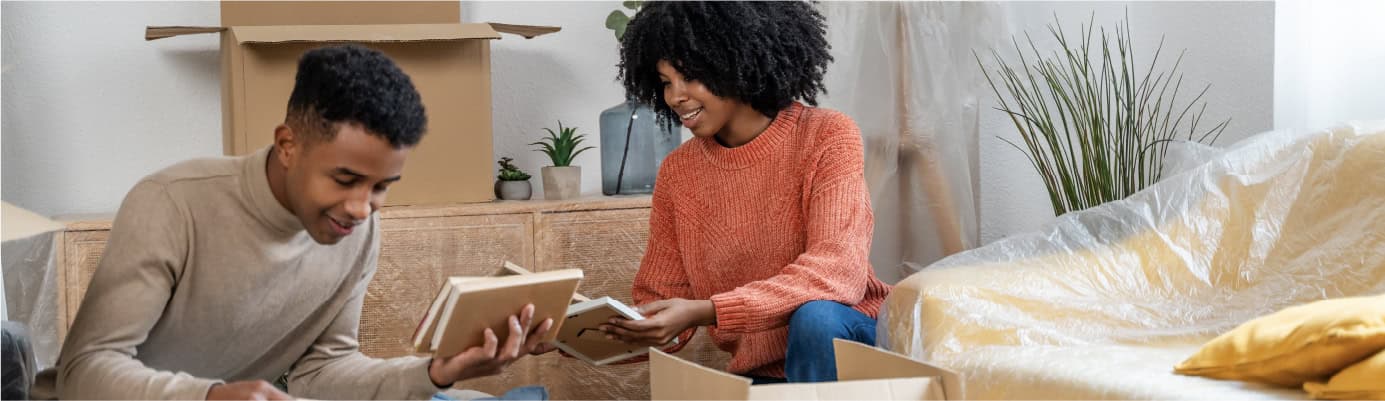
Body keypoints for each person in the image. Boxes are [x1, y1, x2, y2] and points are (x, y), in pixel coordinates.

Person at [35, 44, 550, 400]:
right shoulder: (171, 204)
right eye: (345, 178)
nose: (360, 207)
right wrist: (212, 394)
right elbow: (83, 376)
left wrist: (434, 374)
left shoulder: (357, 232)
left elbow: (321, 372)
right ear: (288, 145)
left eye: (381, 187)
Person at [600, 1, 893, 384]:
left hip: (853, 355)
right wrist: (564, 337)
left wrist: (709, 310)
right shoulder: (679, 172)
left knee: (815, 316)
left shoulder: (826, 135)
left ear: (734, 61)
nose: (675, 96)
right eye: (665, 82)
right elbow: (659, 305)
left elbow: (835, 272)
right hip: (765, 376)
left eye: (689, 76)